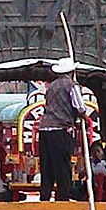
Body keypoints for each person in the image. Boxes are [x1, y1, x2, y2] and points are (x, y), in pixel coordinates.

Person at [38, 58, 91, 202]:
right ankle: (63, 198)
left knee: (47, 166)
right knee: (62, 165)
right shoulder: (71, 85)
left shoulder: (51, 86)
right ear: (72, 71)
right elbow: (80, 107)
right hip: (60, 129)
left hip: (44, 129)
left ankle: (45, 197)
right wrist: (86, 119)